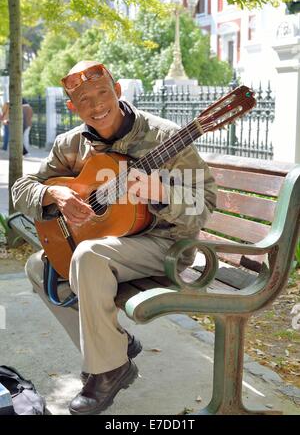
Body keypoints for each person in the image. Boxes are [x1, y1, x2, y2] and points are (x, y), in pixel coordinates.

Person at [12, 61, 217, 415]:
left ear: (118, 91)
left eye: (102, 93)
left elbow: (206, 201)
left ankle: (107, 369)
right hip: (109, 246)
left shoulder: (166, 137)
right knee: (38, 267)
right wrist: (55, 196)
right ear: (73, 107)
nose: (96, 105)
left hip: (167, 247)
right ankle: (117, 346)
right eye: (84, 100)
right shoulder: (71, 144)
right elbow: (21, 189)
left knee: (89, 256)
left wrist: (162, 194)